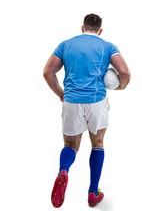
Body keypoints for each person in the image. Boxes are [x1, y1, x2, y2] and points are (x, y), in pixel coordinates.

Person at [43, 13, 131, 208]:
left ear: (82, 28)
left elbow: (48, 71)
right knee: (97, 143)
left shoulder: (66, 44)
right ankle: (93, 192)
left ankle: (64, 170)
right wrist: (120, 86)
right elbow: (124, 71)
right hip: (96, 102)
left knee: (71, 145)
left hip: (72, 101)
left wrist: (60, 94)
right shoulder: (107, 46)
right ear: (100, 31)